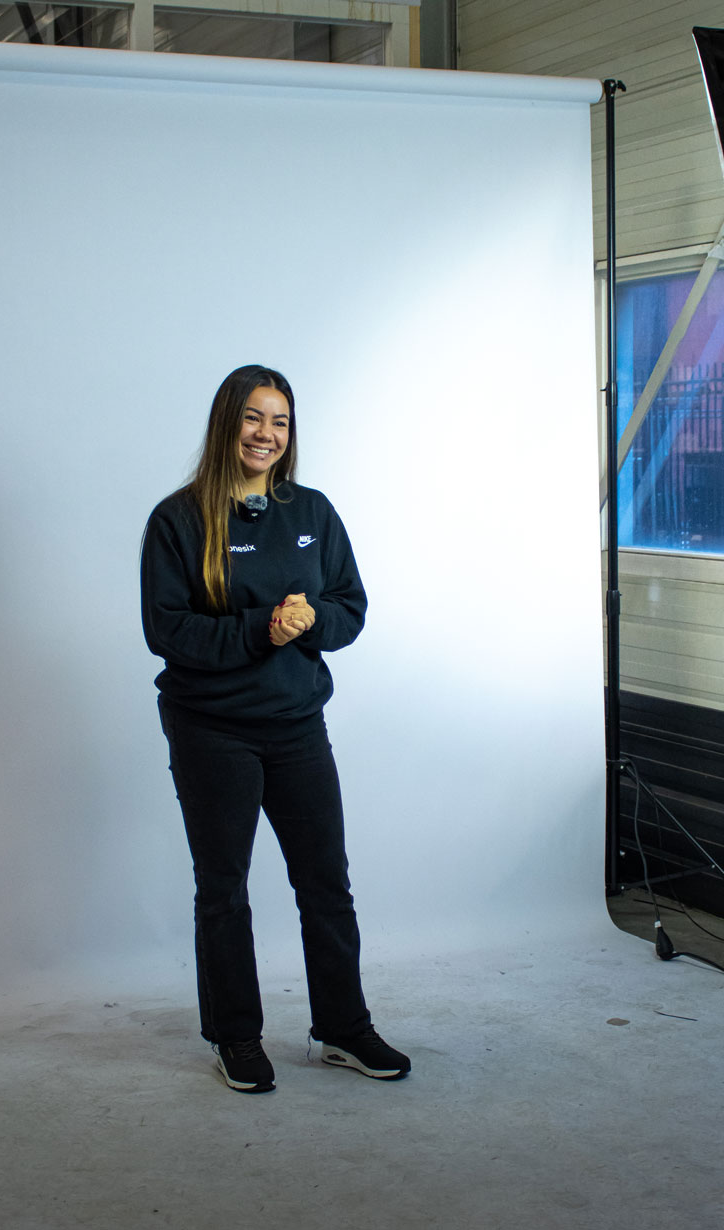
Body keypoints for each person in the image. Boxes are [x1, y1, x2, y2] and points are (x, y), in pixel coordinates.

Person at [140, 364, 410, 1094]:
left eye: (280, 421)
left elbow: (349, 606)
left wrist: (315, 619)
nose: (267, 434)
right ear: (228, 424)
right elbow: (167, 631)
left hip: (297, 726)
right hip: (212, 730)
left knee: (326, 882)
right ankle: (235, 1036)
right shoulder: (179, 519)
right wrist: (263, 627)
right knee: (223, 888)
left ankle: (343, 1028)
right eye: (254, 418)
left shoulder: (313, 513)